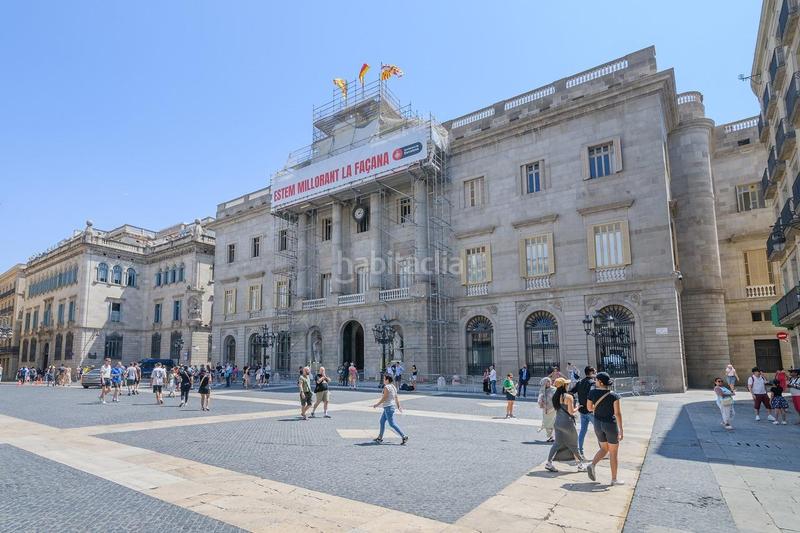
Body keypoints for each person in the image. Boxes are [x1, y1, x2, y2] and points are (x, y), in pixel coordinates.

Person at [586, 372, 624, 485]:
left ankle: (592, 464)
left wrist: (598, 409)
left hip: (598, 423)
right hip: (610, 425)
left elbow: (589, 408)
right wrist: (621, 429)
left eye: (596, 380)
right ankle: (614, 479)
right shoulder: (614, 395)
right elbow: (617, 413)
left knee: (604, 448)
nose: (595, 382)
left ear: (600, 382)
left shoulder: (592, 392)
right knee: (613, 452)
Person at [544, 377, 586, 473]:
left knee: (556, 444)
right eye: (567, 384)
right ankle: (580, 464)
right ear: (564, 386)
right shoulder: (568, 397)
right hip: (567, 423)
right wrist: (577, 407)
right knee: (574, 444)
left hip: (557, 422)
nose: (568, 385)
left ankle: (549, 463)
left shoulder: (555, 396)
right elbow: (571, 412)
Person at [372, 374, 408, 445]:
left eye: (384, 379)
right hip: (390, 407)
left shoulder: (387, 387)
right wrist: (398, 406)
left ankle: (404, 436)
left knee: (392, 424)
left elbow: (384, 398)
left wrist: (377, 404)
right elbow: (396, 397)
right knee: (382, 421)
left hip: (388, 407)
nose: (383, 380)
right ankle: (380, 437)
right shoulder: (393, 387)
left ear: (387, 380)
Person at [573, 366, 596, 458]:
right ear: (590, 372)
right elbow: (594, 396)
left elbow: (570, 392)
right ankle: (604, 450)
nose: (596, 372)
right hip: (591, 411)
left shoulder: (580, 382)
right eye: (594, 371)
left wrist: (575, 404)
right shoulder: (593, 383)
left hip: (582, 410)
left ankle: (580, 451)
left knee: (583, 431)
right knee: (599, 431)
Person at [538, 377, 557, 442]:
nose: (548, 383)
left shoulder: (554, 389)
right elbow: (539, 398)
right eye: (547, 382)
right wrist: (541, 403)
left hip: (552, 408)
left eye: (549, 381)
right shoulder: (542, 390)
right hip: (545, 408)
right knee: (546, 422)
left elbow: (556, 399)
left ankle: (554, 436)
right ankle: (550, 436)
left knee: (552, 422)